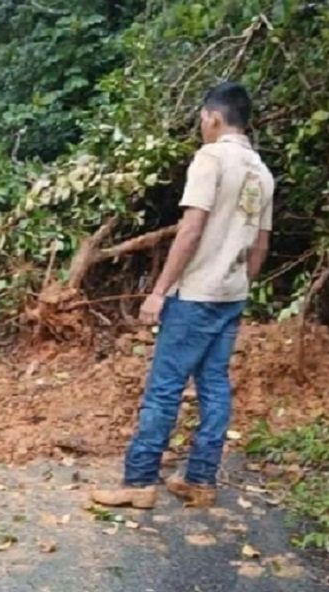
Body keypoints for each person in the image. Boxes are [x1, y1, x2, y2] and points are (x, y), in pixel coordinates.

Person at [91, 82, 274, 509]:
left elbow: (191, 230)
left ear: (214, 117)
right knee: (214, 385)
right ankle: (200, 479)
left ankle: (139, 482)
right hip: (231, 294)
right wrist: (239, 283)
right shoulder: (261, 173)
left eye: (202, 119)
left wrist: (158, 291)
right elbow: (261, 245)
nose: (201, 126)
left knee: (164, 388)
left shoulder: (211, 159)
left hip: (194, 295)